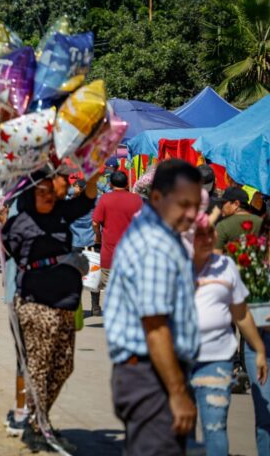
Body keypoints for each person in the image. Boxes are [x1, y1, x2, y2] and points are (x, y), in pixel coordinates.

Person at [104, 159, 203, 456]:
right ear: (157, 197)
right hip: (152, 377)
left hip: (152, 374)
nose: (192, 214)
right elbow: (155, 327)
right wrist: (177, 392)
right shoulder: (154, 244)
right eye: (184, 204)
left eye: (196, 205)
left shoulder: (159, 233)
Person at [0, 169, 98, 452]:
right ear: (31, 194)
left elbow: (85, 201)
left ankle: (35, 419)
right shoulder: (21, 221)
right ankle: (37, 426)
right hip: (36, 304)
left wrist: (93, 176)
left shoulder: (61, 212)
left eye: (51, 190)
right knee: (38, 368)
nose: (49, 195)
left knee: (63, 365)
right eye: (41, 191)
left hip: (65, 304)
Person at [190, 214, 267, 456]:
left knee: (215, 427)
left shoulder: (226, 266)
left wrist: (259, 348)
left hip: (217, 360)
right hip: (177, 359)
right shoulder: (171, 267)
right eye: (200, 234)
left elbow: (240, 312)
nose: (207, 239)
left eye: (210, 233)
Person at [91, 171, 143, 317]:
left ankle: (112, 314)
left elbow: (95, 222)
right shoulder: (137, 200)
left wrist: (98, 236)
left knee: (109, 287)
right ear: (127, 184)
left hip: (110, 254)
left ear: (110, 184)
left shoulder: (105, 199)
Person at [216, 187, 262, 252]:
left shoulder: (222, 226)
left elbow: (216, 254)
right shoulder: (261, 222)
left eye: (223, 203)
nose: (221, 206)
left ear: (236, 204)